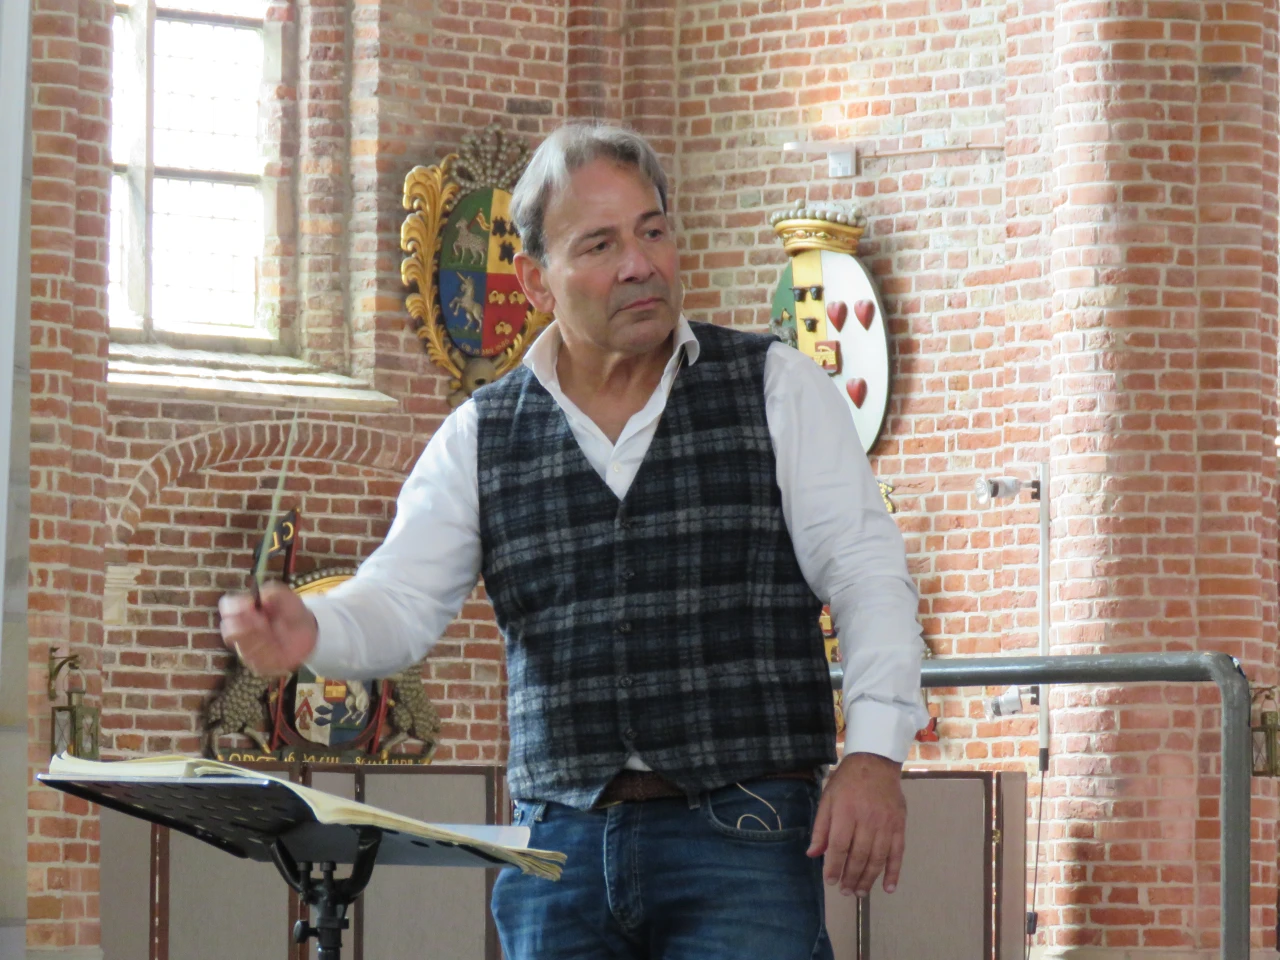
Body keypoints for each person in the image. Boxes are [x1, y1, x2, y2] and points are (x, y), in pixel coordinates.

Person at [219, 122, 928, 960]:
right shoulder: (481, 433)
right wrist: (314, 629)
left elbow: (868, 576)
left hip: (745, 833)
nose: (639, 264)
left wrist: (875, 753)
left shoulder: (777, 387)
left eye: (652, 231)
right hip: (558, 849)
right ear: (535, 279)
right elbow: (401, 601)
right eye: (600, 244)